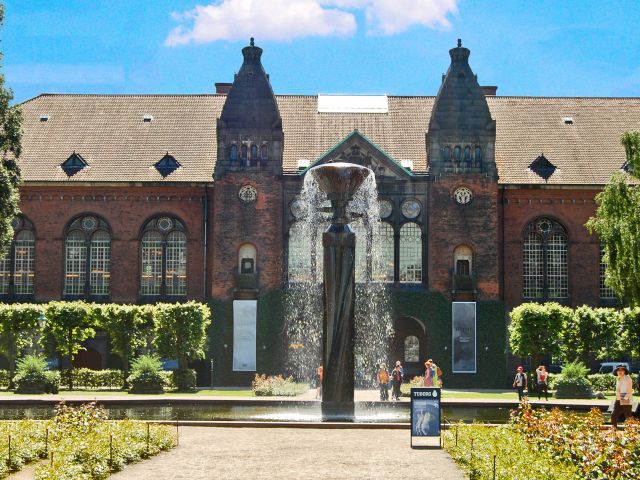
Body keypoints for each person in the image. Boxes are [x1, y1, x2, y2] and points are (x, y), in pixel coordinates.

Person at [611, 364, 634, 429]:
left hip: (626, 398)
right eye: (618, 370)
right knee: (614, 414)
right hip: (618, 398)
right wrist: (618, 397)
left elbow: (629, 390)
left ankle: (631, 430)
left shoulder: (628, 378)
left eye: (622, 370)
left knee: (628, 415)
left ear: (625, 371)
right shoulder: (618, 378)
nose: (620, 371)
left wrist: (624, 399)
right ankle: (614, 428)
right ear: (617, 371)